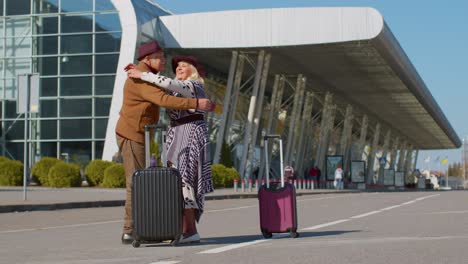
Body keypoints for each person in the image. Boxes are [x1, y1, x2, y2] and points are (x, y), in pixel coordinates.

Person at [116, 41, 215, 245]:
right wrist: (197, 104)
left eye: (164, 57)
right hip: (133, 133)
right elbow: (163, 99)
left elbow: (168, 85)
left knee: (179, 182)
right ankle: (130, 229)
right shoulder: (141, 78)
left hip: (180, 138)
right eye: (160, 57)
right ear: (147, 59)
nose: (165, 61)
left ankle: (173, 229)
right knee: (136, 182)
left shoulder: (184, 83)